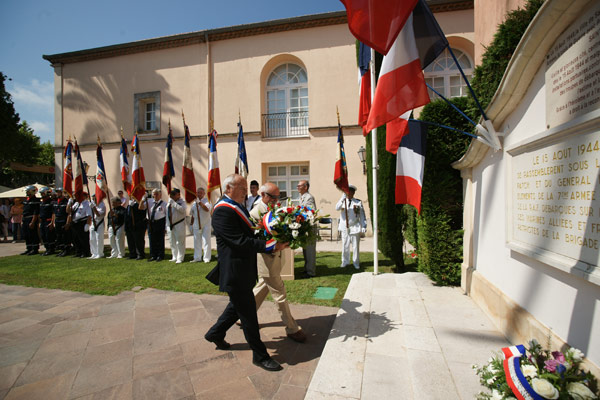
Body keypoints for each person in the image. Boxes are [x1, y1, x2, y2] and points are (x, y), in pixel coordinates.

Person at [204, 174, 288, 372]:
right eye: (241, 188)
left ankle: (215, 333)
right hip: (235, 271)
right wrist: (271, 245)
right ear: (229, 189)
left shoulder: (237, 205)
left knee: (236, 306)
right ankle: (260, 356)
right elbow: (239, 241)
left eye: (245, 188)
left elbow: (249, 232)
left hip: (242, 269)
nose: (246, 191)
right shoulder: (223, 210)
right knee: (248, 314)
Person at [250, 182, 306, 342]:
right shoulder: (255, 213)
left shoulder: (273, 209)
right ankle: (292, 328)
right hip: (266, 260)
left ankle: (241, 314)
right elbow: (258, 240)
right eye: (273, 197)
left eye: (278, 197)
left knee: (262, 287)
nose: (276, 201)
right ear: (263, 195)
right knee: (279, 293)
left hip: (276, 258)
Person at [335, 185, 367, 269]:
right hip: (344, 227)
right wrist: (342, 198)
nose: (350, 193)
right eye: (348, 192)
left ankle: (356, 262)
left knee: (355, 246)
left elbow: (362, 215)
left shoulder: (357, 202)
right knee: (345, 245)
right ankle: (345, 261)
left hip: (354, 226)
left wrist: (363, 225)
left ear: (354, 193)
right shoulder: (342, 201)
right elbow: (337, 208)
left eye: (352, 192)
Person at [298, 180, 317, 277]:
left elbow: (310, 212)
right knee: (305, 249)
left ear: (305, 187)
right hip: (304, 227)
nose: (297, 187)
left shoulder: (309, 198)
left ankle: (311, 272)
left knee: (310, 250)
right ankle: (307, 269)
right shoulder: (302, 197)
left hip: (309, 227)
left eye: (299, 185)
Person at [143, 189, 166, 262]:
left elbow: (166, 215)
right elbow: (140, 207)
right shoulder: (149, 202)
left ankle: (160, 255)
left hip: (160, 222)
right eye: (154, 194)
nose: (155, 195)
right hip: (150, 222)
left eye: (156, 194)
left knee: (160, 240)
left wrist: (165, 227)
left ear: (160, 195)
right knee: (151, 239)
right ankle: (153, 255)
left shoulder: (164, 204)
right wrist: (143, 199)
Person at [190, 187, 212, 263]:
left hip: (206, 224)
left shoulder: (207, 201)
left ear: (204, 193)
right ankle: (197, 257)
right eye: (198, 192)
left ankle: (206, 258)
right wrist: (191, 223)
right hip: (196, 224)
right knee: (197, 241)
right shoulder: (194, 203)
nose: (199, 194)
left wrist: (199, 202)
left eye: (201, 193)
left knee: (206, 241)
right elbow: (193, 214)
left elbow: (207, 209)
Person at [69, 192, 92, 258]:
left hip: (82, 222)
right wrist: (69, 203)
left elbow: (89, 215)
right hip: (75, 223)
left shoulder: (87, 204)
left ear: (84, 196)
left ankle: (85, 252)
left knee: (83, 239)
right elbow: (68, 211)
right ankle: (78, 252)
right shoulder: (76, 204)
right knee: (75, 239)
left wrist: (87, 224)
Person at [167, 188, 186, 263]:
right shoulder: (169, 202)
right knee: (172, 242)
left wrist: (174, 204)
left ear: (178, 195)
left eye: (174, 194)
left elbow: (182, 210)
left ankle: (180, 258)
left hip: (179, 224)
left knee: (180, 242)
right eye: (171, 195)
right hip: (170, 225)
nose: (172, 196)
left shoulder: (182, 202)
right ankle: (174, 256)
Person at [20, 186, 40, 255]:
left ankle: (35, 249)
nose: (27, 193)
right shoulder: (26, 200)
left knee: (33, 234)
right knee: (26, 234)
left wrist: (33, 221)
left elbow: (36, 212)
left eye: (28, 191)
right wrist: (22, 220)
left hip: (31, 218)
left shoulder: (36, 201)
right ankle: (29, 248)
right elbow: (24, 211)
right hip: (25, 219)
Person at [52, 189, 71, 257]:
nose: (57, 194)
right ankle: (62, 250)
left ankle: (66, 250)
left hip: (64, 221)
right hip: (58, 221)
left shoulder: (66, 202)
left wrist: (67, 223)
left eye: (59, 192)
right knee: (59, 236)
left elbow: (69, 213)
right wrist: (53, 222)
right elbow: (54, 213)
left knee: (65, 236)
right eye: (57, 193)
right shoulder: (56, 202)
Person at [38, 187, 56, 255]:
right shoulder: (42, 202)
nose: (42, 195)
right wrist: (39, 222)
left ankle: (51, 249)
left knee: (49, 236)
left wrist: (52, 222)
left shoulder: (51, 202)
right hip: (43, 221)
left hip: (48, 220)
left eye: (43, 193)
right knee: (43, 235)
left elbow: (53, 213)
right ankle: (47, 249)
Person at [89, 194, 106, 259]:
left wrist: (93, 208)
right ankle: (94, 253)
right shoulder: (93, 205)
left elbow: (98, 214)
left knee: (99, 238)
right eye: (93, 199)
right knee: (92, 239)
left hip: (99, 223)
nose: (93, 200)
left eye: (94, 199)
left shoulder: (102, 205)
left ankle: (100, 253)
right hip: (93, 223)